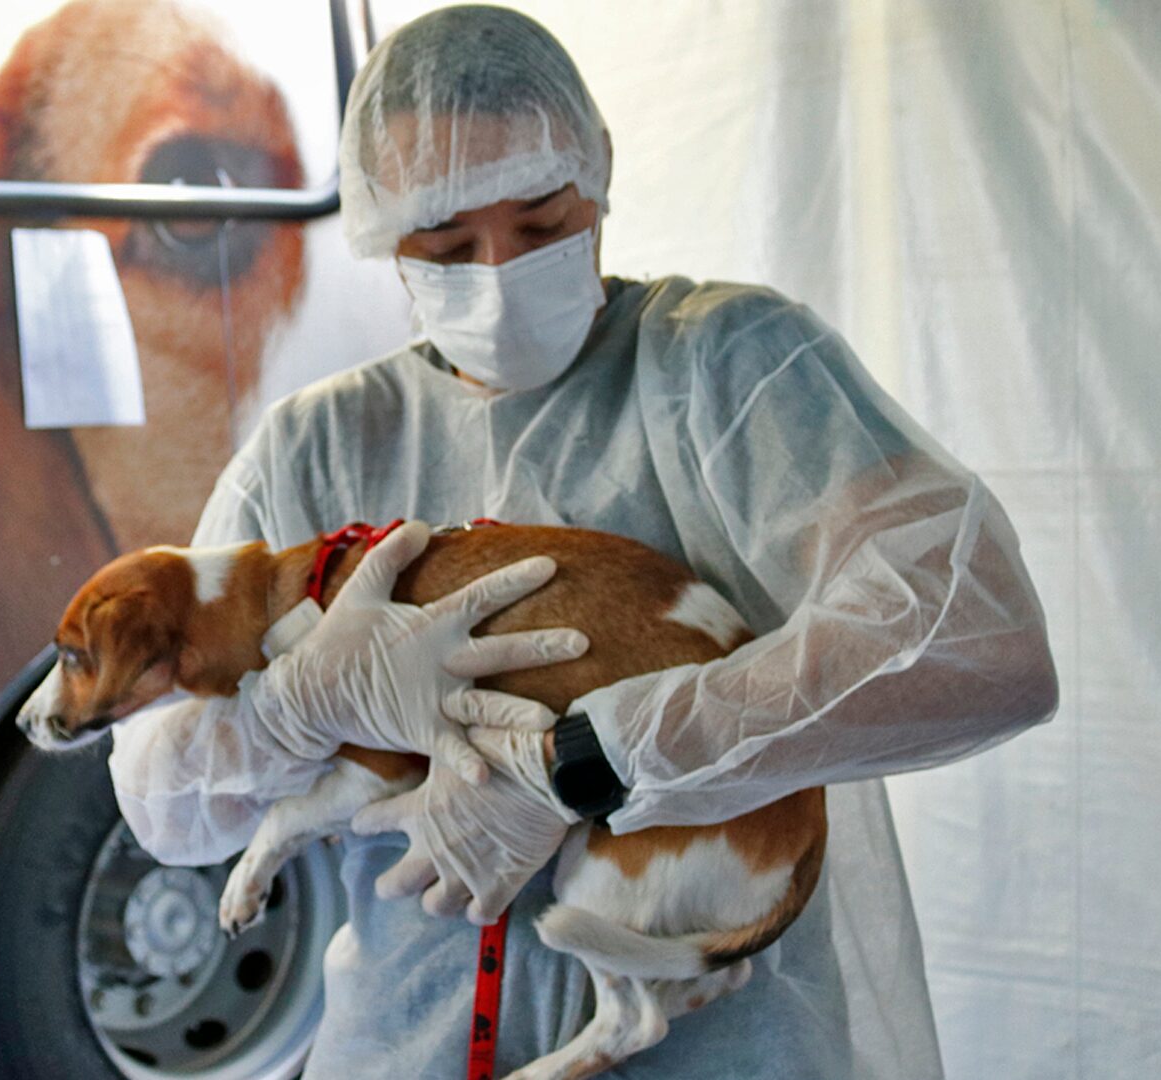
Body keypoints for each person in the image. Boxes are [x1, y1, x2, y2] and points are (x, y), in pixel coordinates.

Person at [108, 6, 1059, 1077]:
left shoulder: (727, 370)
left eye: (542, 224)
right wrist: (292, 709)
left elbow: (975, 641)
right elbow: (158, 804)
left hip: (715, 1034)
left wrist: (596, 760)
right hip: (409, 1040)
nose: (500, 269)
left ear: (597, 182)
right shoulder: (319, 447)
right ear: (385, 240)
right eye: (450, 244)